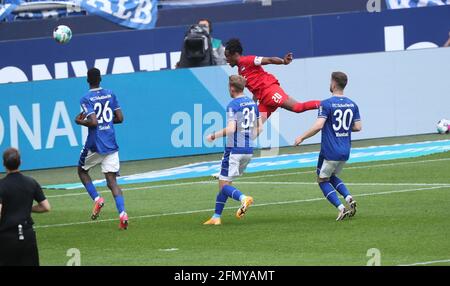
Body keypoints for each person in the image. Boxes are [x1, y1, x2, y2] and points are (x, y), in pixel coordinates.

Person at [294, 72, 362, 221]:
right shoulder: (352, 104)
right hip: (345, 150)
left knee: (322, 180)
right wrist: (341, 128)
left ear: (334, 84)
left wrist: (302, 137)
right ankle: (349, 197)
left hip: (330, 150)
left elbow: (319, 125)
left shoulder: (326, 104)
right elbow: (357, 127)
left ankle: (341, 208)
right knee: (331, 176)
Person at [203, 75, 263, 225]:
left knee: (224, 185)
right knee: (225, 184)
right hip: (248, 150)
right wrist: (248, 140)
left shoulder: (233, 105)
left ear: (231, 88)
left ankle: (243, 198)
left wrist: (213, 135)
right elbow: (260, 127)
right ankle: (216, 217)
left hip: (234, 150)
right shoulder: (252, 103)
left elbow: (231, 129)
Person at [74, 68, 128, 230]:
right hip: (111, 143)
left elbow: (93, 122)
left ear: (87, 80)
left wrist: (79, 122)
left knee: (82, 170)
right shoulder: (110, 94)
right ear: (101, 79)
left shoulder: (86, 98)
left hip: (95, 143)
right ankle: (123, 214)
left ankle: (97, 199)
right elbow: (120, 118)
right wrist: (107, 123)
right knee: (112, 182)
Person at [224, 38, 321, 124]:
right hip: (264, 99)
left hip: (270, 91)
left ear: (235, 54)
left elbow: (269, 60)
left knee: (298, 107)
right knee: (254, 128)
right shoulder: (240, 70)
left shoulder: (248, 60)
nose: (226, 59)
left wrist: (283, 62)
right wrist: (253, 104)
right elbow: (255, 87)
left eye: (227, 56)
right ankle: (244, 145)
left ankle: (325, 104)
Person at [0, 148, 51, 266]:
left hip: (7, 236)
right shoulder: (31, 182)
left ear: (3, 164)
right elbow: (46, 207)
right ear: (20, 162)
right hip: (28, 235)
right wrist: (28, 208)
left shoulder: (1, 185)